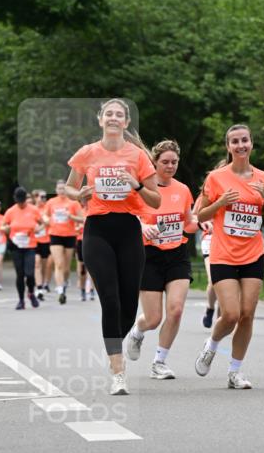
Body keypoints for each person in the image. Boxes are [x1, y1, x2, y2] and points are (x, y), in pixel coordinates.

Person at [64, 98, 160, 395]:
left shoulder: (138, 156)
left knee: (129, 304)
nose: (114, 118)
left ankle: (114, 346)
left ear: (126, 122)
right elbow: (69, 187)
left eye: (119, 114)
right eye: (109, 113)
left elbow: (156, 200)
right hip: (97, 230)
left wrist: (136, 185)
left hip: (128, 230)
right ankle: (118, 370)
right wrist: (78, 193)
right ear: (101, 119)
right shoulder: (87, 152)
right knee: (110, 299)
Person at [194, 124, 264, 388]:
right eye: (235, 141)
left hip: (253, 254)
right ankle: (211, 345)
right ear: (228, 147)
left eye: (244, 140)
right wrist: (220, 203)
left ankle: (235, 371)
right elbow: (200, 215)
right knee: (230, 314)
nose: (241, 145)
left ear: (251, 143)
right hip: (224, 254)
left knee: (247, 314)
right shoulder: (216, 177)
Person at [125, 139, 197, 379]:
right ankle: (138, 330)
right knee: (154, 318)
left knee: (175, 310)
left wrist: (201, 223)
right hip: (149, 256)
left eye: (174, 162)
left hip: (177, 255)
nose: (170, 166)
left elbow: (188, 222)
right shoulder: (142, 189)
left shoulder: (183, 189)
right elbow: (127, 216)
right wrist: (143, 226)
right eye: (165, 162)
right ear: (154, 163)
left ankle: (159, 362)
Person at [43, 179, 84, 304]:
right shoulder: (51, 202)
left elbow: (82, 218)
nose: (61, 191)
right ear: (56, 190)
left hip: (70, 236)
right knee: (59, 264)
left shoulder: (73, 203)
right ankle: (60, 290)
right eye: (59, 188)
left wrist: (71, 216)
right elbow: (44, 215)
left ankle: (64, 283)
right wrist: (46, 220)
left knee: (66, 267)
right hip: (55, 235)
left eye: (63, 188)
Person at [1, 187, 42, 310]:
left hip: (30, 246)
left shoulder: (33, 210)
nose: (21, 203)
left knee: (30, 274)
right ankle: (21, 300)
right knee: (20, 274)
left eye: (22, 201)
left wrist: (38, 229)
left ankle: (31, 293)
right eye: (18, 201)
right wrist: (6, 229)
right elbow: (3, 226)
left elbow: (43, 223)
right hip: (16, 246)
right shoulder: (11, 211)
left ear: (25, 199)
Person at [193, 191, 218, 329]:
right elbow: (194, 215)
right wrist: (204, 222)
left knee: (227, 280)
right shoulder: (206, 195)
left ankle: (222, 319)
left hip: (230, 241)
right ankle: (210, 308)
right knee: (214, 279)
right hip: (210, 239)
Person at [32, 190, 52, 298]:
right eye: (41, 196)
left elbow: (48, 222)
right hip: (34, 241)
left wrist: (41, 225)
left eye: (44, 197)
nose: (43, 199)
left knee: (45, 265)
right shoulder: (31, 209)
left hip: (45, 240)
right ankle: (39, 287)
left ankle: (43, 284)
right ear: (35, 197)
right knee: (37, 263)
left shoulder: (46, 208)